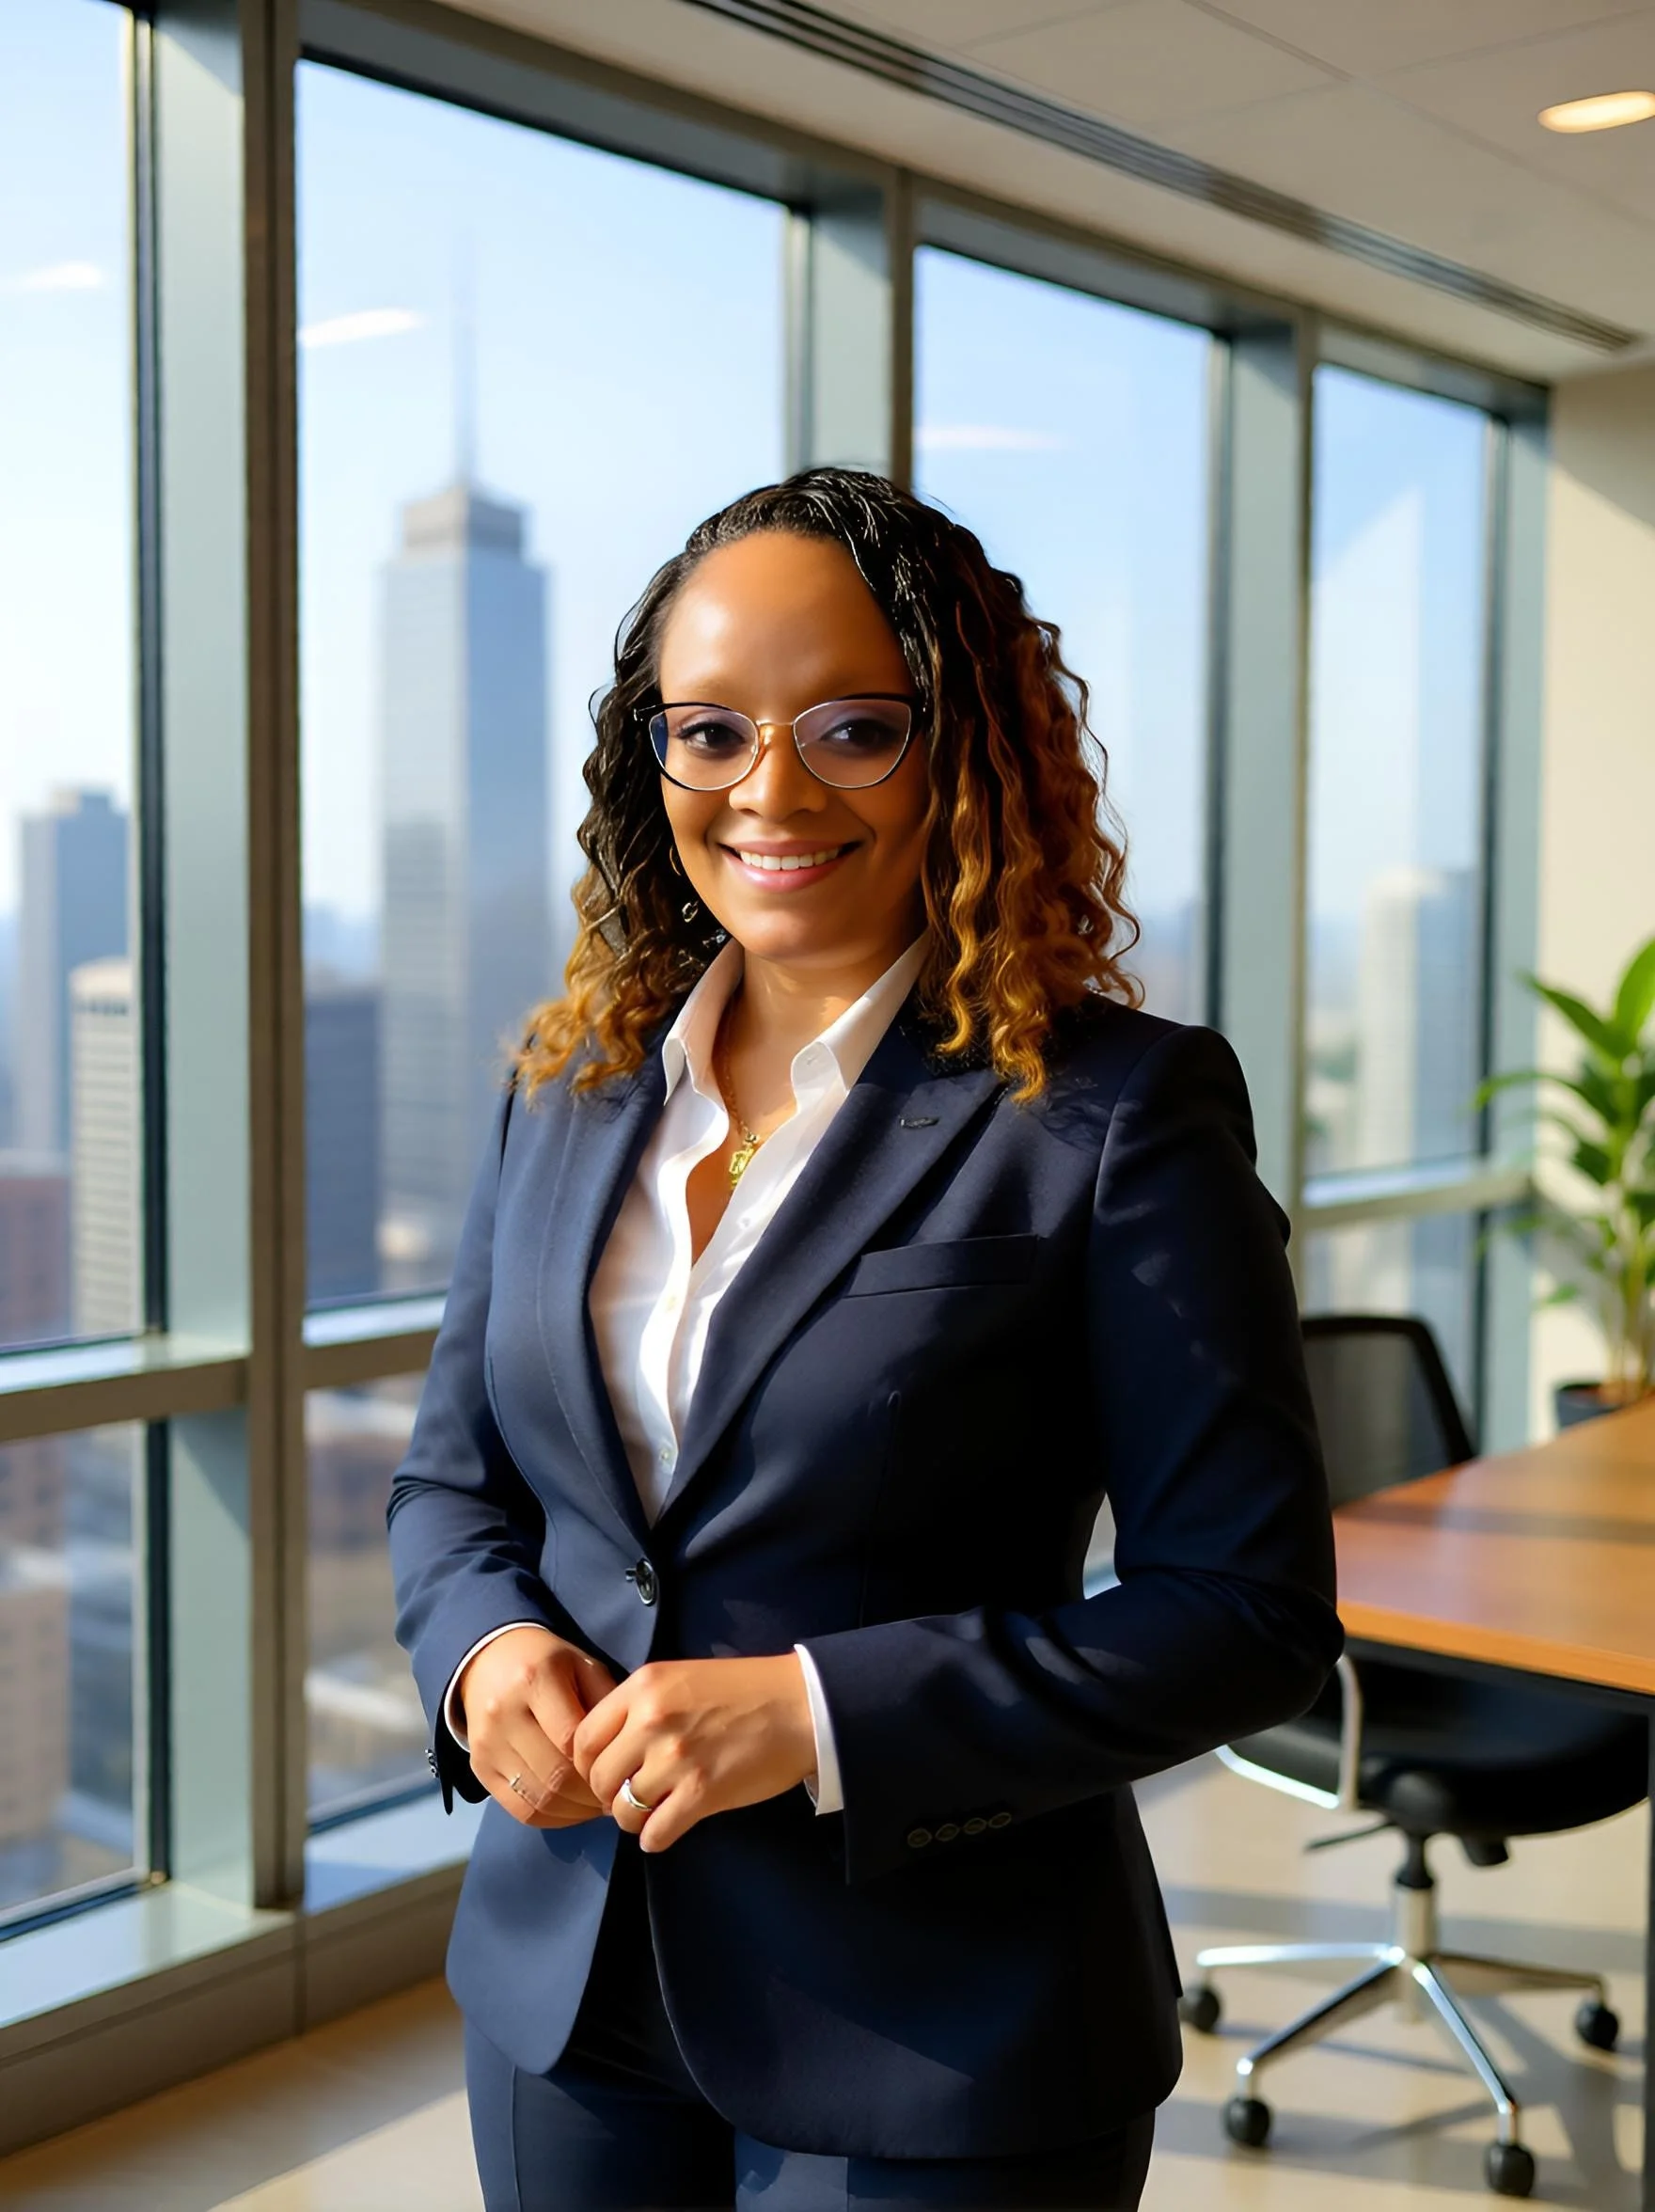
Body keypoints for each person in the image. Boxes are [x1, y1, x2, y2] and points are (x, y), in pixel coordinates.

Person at [388, 466, 1341, 2211]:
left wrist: (815, 1715)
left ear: (963, 745)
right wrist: (484, 1657)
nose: (771, 789)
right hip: (567, 1990)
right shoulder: (572, 1087)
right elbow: (455, 1488)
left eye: (852, 727)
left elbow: (1247, 1613)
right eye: (712, 730)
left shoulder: (1112, 1114)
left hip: (942, 2030)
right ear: (649, 759)